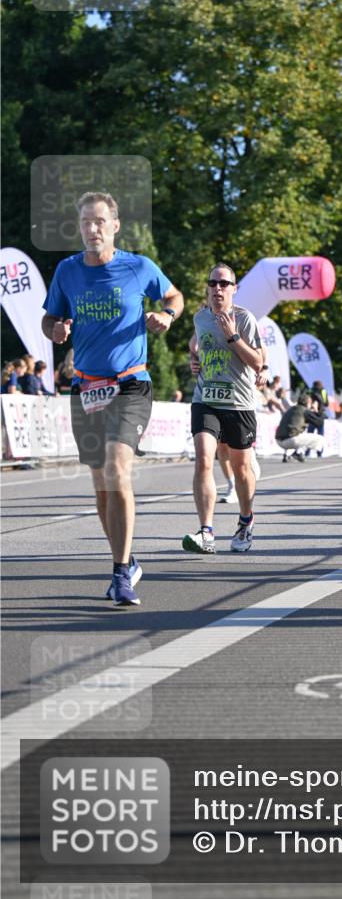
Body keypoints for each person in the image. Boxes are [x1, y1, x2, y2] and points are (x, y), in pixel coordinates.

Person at [42, 190, 183, 606]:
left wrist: (167, 315)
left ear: (115, 226)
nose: (92, 229)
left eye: (100, 221)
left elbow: (173, 295)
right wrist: (55, 329)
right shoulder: (67, 271)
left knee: (117, 468)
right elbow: (50, 314)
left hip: (129, 384)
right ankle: (126, 559)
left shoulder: (139, 267)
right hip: (85, 386)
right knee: (100, 483)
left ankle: (121, 574)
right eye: (86, 222)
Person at [183, 262, 263, 555]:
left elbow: (256, 361)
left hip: (239, 403)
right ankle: (206, 531)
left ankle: (246, 519)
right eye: (213, 283)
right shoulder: (200, 318)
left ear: (234, 289)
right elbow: (197, 346)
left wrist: (233, 336)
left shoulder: (244, 318)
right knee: (204, 459)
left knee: (242, 470)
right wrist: (195, 360)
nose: (218, 289)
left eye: (224, 284)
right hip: (206, 400)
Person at [275, 391, 324, 460]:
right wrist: (316, 409)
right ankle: (298, 453)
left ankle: (288, 453)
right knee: (320, 438)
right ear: (307, 403)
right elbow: (319, 423)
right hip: (291, 441)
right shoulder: (304, 411)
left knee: (297, 431)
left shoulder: (291, 409)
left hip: (278, 441)